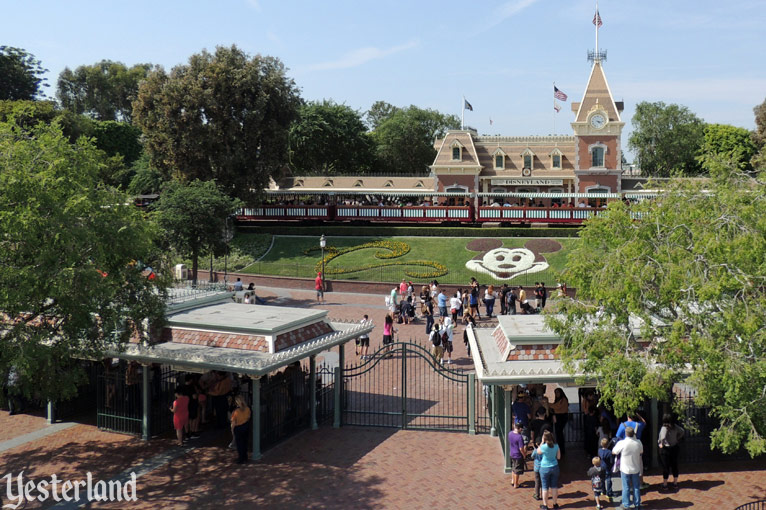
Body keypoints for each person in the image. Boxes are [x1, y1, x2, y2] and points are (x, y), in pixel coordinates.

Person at [613, 426, 643, 510]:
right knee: (636, 487)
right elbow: (641, 451)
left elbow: (614, 451)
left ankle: (626, 504)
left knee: (625, 487)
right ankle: (637, 504)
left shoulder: (622, 443)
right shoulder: (638, 442)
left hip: (625, 468)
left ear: (626, 434)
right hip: (635, 467)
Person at [658, 413, 685, 490]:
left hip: (666, 449)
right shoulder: (675, 427)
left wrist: (661, 444)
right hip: (674, 447)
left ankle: (665, 484)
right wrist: (677, 438)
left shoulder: (664, 428)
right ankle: (675, 483)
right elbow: (682, 431)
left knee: (665, 467)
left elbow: (662, 437)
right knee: (674, 465)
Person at [537, 430, 561, 510]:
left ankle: (545, 505)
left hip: (544, 467)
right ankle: (555, 503)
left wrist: (541, 442)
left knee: (544, 487)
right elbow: (558, 457)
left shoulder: (544, 447)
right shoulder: (556, 445)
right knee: (554, 486)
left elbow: (538, 452)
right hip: (554, 466)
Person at [230, 395, 251, 464]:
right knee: (245, 442)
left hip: (238, 428)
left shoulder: (235, 411)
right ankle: (245, 457)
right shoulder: (247, 408)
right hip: (246, 426)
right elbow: (248, 418)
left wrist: (232, 431)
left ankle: (241, 458)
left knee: (239, 444)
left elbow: (233, 422)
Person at [551, 388, 569, 457]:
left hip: (561, 417)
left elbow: (557, 407)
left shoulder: (563, 400)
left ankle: (561, 449)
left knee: (559, 434)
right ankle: (560, 449)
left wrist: (548, 404)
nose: (556, 394)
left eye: (558, 392)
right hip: (558, 417)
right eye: (555, 393)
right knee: (558, 434)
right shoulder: (559, 400)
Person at [508, 421, 526, 488]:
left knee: (513, 467)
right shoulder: (519, 437)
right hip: (518, 455)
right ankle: (516, 484)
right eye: (521, 429)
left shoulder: (510, 433)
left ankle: (512, 481)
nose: (521, 430)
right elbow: (521, 448)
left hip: (512, 453)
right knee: (517, 470)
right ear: (519, 428)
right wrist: (524, 455)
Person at [598, 437, 617, 502]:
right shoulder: (609, 452)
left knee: (602, 479)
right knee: (608, 479)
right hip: (607, 467)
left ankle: (603, 491)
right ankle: (609, 493)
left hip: (602, 466)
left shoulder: (599, 450)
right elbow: (611, 461)